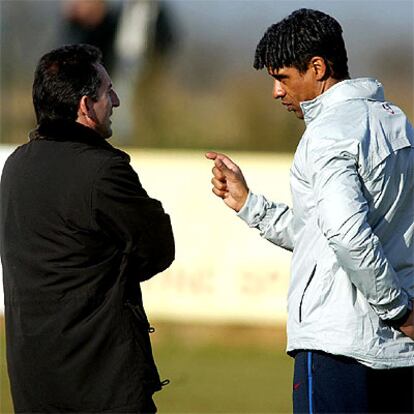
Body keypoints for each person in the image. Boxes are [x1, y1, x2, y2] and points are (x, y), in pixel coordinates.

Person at [206, 8, 414, 413]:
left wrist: (397, 310)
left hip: (337, 344)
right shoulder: (398, 124)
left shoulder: (328, 132)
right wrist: (249, 204)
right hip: (398, 349)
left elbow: (344, 234)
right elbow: (325, 233)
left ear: (317, 68)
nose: (276, 92)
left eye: (282, 78)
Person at [0, 44, 174, 413]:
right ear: (84, 106)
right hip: (100, 380)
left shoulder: (15, 167)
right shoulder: (102, 170)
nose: (116, 100)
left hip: (33, 380)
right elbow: (158, 248)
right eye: (107, 91)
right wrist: (114, 272)